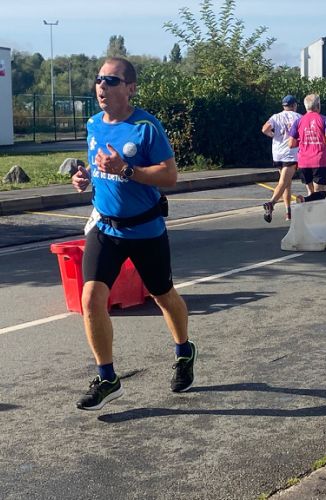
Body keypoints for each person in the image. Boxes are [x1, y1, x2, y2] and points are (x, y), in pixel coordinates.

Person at [71, 57, 196, 410]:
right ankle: (107, 378)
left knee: (163, 296)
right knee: (90, 299)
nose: (102, 86)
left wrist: (127, 170)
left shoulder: (146, 127)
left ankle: (184, 351)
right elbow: (97, 167)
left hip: (144, 229)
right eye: (99, 79)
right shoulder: (93, 124)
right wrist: (83, 178)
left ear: (130, 88)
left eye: (111, 80)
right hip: (105, 227)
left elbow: (169, 176)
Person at [261, 95, 301, 222]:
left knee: (286, 183)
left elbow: (264, 129)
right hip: (291, 153)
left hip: (278, 153)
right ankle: (271, 203)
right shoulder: (298, 117)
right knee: (283, 182)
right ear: (294, 105)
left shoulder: (276, 117)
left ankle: (288, 211)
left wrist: (273, 135)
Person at [288, 94, 326, 202]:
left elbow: (291, 144)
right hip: (319, 160)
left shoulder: (298, 121)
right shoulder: (325, 120)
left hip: (303, 161)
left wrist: (304, 141)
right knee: (320, 194)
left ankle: (306, 201)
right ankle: (304, 200)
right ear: (318, 105)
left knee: (311, 193)